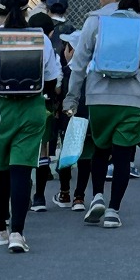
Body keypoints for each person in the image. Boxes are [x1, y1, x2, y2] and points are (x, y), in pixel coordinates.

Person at [0, 0, 61, 254]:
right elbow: (52, 79)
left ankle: (0, 227)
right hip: (32, 109)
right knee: (22, 171)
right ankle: (18, 233)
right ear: (26, 10)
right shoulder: (40, 38)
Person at [63, 0, 140, 229]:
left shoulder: (94, 20)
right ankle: (113, 210)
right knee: (123, 156)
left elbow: (78, 64)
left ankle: (98, 196)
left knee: (100, 150)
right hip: (131, 98)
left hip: (99, 97)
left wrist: (71, 98)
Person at [31, 0, 74, 212]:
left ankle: (36, 197)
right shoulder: (71, 32)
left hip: (32, 101)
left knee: (40, 148)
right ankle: (68, 192)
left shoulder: (27, 40)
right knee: (66, 142)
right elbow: (60, 75)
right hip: (64, 99)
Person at [55, 30, 95, 211]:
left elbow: (59, 94)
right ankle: (79, 197)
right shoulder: (93, 71)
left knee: (67, 154)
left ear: (71, 51)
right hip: (88, 118)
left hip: (68, 119)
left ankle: (64, 192)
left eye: (66, 46)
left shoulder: (66, 71)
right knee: (85, 157)